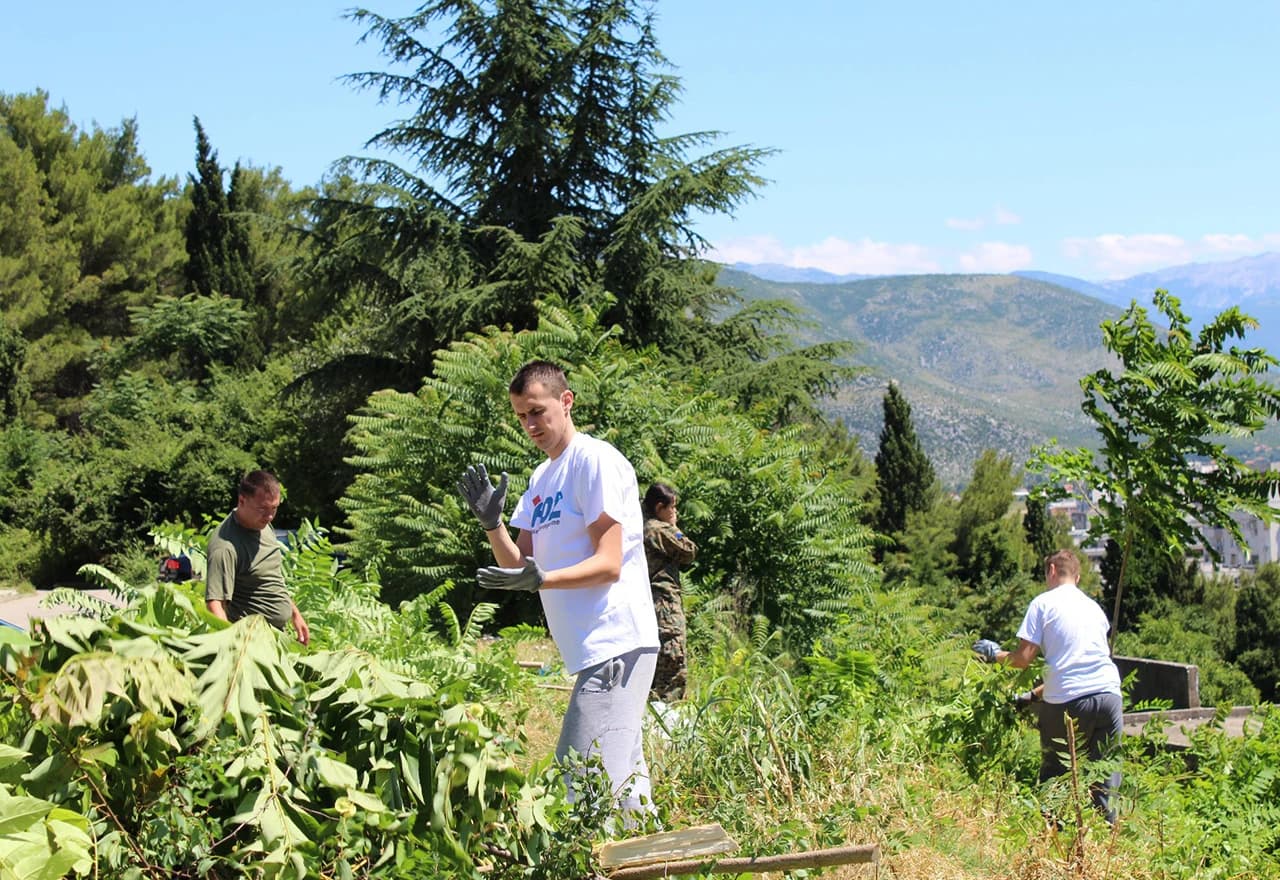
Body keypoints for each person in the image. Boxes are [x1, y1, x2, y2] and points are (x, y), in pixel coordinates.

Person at [457, 360, 659, 817]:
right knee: (627, 797)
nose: (530, 425)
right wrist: (492, 525)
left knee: (580, 784)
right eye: (521, 417)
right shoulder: (541, 478)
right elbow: (520, 567)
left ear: (566, 402)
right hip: (593, 650)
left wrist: (543, 577)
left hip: (616, 644)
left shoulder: (595, 461)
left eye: (537, 411)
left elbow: (609, 564)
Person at [974, 549, 1122, 823]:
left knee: (1055, 778)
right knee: (1106, 784)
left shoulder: (1043, 604)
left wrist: (993, 655)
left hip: (1068, 702)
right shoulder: (1095, 609)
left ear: (1051, 570)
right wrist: (1031, 696)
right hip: (1110, 696)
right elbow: (1078, 667)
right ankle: (1111, 853)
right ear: (1076, 576)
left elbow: (1022, 660)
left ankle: (1051, 846)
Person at [205, 470, 310, 645]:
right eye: (262, 509)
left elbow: (271, 578)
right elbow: (215, 604)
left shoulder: (263, 525)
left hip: (277, 638)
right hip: (251, 642)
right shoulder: (225, 547)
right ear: (242, 501)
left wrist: (295, 614)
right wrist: (232, 647)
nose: (269, 516)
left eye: (274, 508)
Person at [642, 482, 697, 702]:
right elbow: (689, 551)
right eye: (672, 507)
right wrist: (675, 528)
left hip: (647, 602)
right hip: (663, 604)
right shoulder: (657, 529)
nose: (675, 512)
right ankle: (666, 716)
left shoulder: (637, 523)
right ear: (659, 507)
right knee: (672, 660)